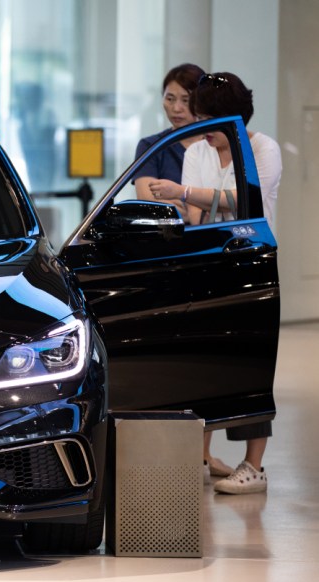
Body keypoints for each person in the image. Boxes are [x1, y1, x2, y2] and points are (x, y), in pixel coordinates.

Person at [148, 72, 282, 494]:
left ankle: (253, 466)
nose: (202, 130)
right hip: (206, 265)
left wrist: (184, 192)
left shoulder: (263, 148)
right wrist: (187, 200)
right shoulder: (198, 154)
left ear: (233, 119)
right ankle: (198, 455)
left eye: (209, 120)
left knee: (249, 365)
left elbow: (249, 199)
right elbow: (193, 217)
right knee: (201, 362)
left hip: (249, 267)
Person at [133, 63, 206, 201]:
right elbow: (149, 205)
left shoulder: (215, 144)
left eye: (186, 100)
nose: (176, 108)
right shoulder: (151, 146)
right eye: (170, 99)